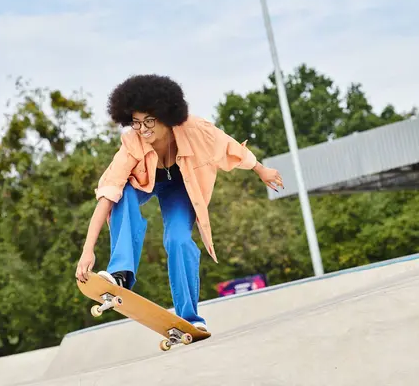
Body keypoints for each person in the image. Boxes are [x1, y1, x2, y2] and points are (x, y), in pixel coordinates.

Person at [75, 74, 283, 331]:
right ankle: (121, 274)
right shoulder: (131, 143)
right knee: (122, 195)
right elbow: (107, 195)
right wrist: (88, 249)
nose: (143, 129)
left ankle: (190, 318)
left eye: (149, 120)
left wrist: (261, 170)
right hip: (142, 184)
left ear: (165, 114)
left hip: (180, 187)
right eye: (136, 122)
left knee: (179, 240)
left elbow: (229, 147)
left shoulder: (195, 129)